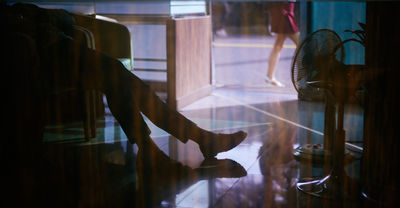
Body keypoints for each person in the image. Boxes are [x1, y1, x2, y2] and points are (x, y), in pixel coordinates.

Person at [1, 3, 247, 171]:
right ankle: (192, 140)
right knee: (117, 76)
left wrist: (43, 19)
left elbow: (63, 17)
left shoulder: (20, 10)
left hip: (60, 55)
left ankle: (176, 144)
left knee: (120, 78)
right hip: (41, 61)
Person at [265, 1, 299, 87]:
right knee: (301, 44)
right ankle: (303, 77)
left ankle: (269, 77)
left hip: (285, 9)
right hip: (284, 10)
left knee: (278, 46)